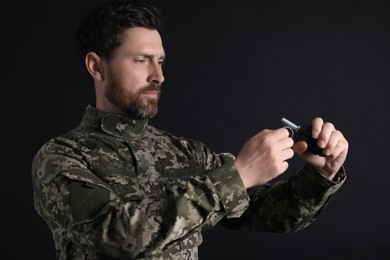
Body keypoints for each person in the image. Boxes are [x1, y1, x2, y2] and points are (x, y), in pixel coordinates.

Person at [31, 0, 349, 259]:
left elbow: (268, 213)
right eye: (142, 60)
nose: (159, 76)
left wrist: (322, 174)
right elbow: (120, 235)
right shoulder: (60, 158)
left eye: (161, 61)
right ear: (96, 66)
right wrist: (237, 175)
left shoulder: (182, 152)